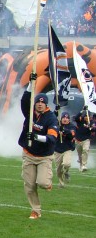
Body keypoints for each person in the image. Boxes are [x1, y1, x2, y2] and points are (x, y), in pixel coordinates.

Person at [18, 78, 58, 220]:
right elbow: (24, 101)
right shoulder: (30, 113)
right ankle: (36, 210)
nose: (39, 104)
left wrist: (36, 137)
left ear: (46, 104)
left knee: (42, 183)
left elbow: (52, 138)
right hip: (29, 153)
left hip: (44, 156)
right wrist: (31, 84)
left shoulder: (51, 118)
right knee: (29, 185)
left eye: (42, 102)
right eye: (38, 102)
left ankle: (48, 182)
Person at [54, 112, 76, 187]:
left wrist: (63, 130)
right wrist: (56, 112)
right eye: (63, 118)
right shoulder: (57, 124)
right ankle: (61, 182)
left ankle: (66, 172)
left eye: (67, 118)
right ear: (61, 118)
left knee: (67, 164)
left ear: (69, 119)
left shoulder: (72, 126)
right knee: (58, 170)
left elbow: (72, 134)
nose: (65, 119)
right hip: (57, 149)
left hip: (67, 148)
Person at [74, 106, 96, 172]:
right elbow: (76, 118)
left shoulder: (91, 122)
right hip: (78, 139)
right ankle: (81, 165)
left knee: (85, 150)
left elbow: (94, 128)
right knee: (80, 154)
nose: (87, 117)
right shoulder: (80, 120)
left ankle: (84, 165)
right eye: (86, 116)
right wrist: (81, 111)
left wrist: (91, 128)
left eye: (88, 116)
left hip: (86, 139)